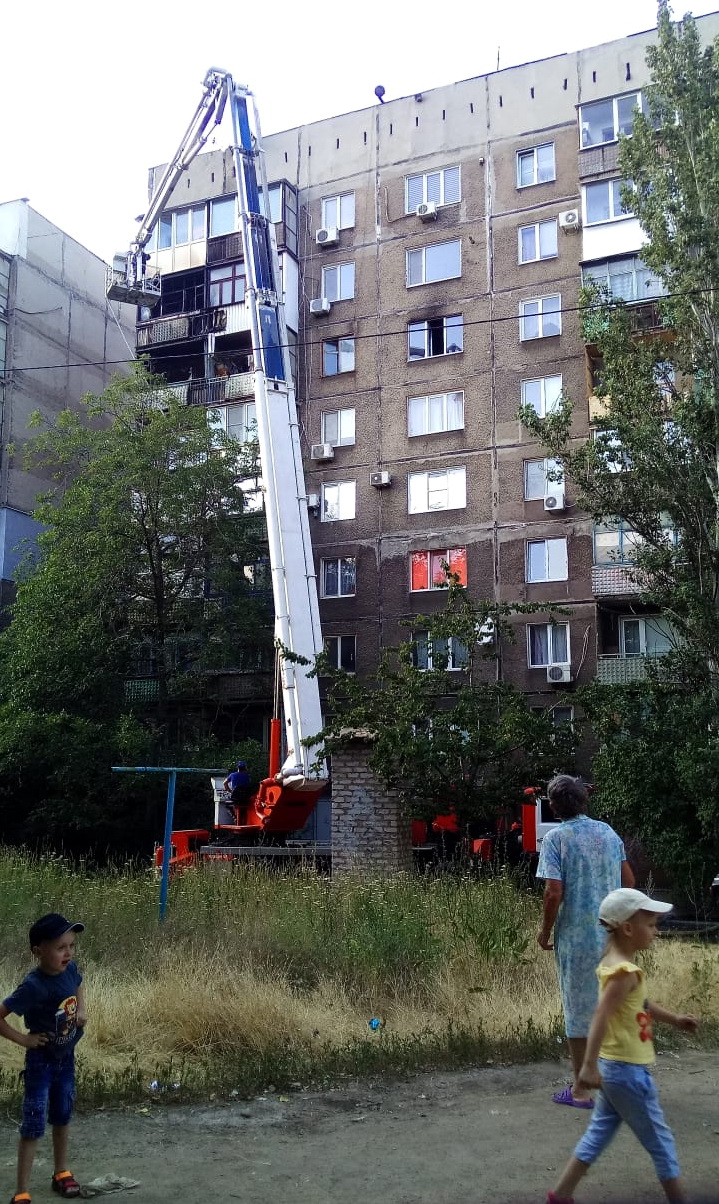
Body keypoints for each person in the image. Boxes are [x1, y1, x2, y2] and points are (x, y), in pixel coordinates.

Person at [547, 888, 699, 1204]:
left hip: (614, 1070)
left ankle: (560, 1195)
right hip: (629, 1074)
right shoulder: (624, 972)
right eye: (652, 924)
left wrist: (674, 1019)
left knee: (598, 1134)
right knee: (662, 1143)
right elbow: (600, 1015)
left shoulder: (615, 965)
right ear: (628, 928)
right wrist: (587, 1066)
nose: (656, 931)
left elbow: (639, 1003)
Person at [536, 774, 635, 1107]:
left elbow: (553, 892)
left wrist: (545, 931)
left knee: (579, 1012)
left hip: (577, 940)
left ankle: (581, 1089)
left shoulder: (556, 838)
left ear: (553, 804)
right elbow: (629, 881)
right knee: (613, 1007)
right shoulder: (608, 832)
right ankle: (619, 1083)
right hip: (612, 936)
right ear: (583, 800)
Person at [0, 914, 87, 1204]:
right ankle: (21, 1191)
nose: (69, 953)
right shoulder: (33, 986)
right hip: (41, 1063)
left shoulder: (70, 970)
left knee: (62, 1115)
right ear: (38, 950)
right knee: (34, 1123)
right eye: (61, 947)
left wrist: (82, 1011)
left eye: (71, 946)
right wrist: (24, 1039)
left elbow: (78, 983)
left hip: (66, 1057)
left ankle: (61, 1172)